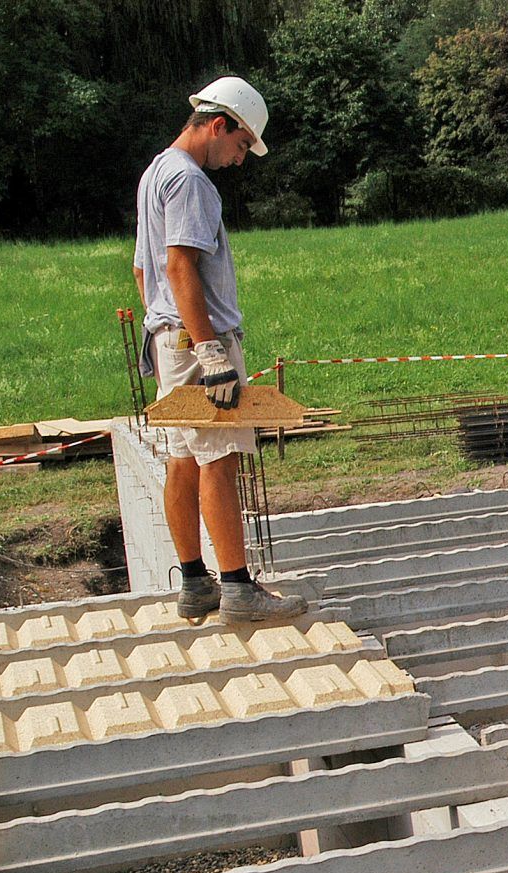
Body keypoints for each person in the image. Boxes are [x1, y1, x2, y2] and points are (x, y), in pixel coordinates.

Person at [133, 76, 304, 625]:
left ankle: (194, 583)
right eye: (241, 143)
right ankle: (236, 588)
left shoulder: (156, 172)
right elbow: (179, 266)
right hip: (196, 342)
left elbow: (143, 271)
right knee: (219, 460)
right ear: (218, 124)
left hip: (171, 339)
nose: (239, 158)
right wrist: (209, 352)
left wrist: (164, 333)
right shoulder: (191, 181)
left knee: (183, 460)